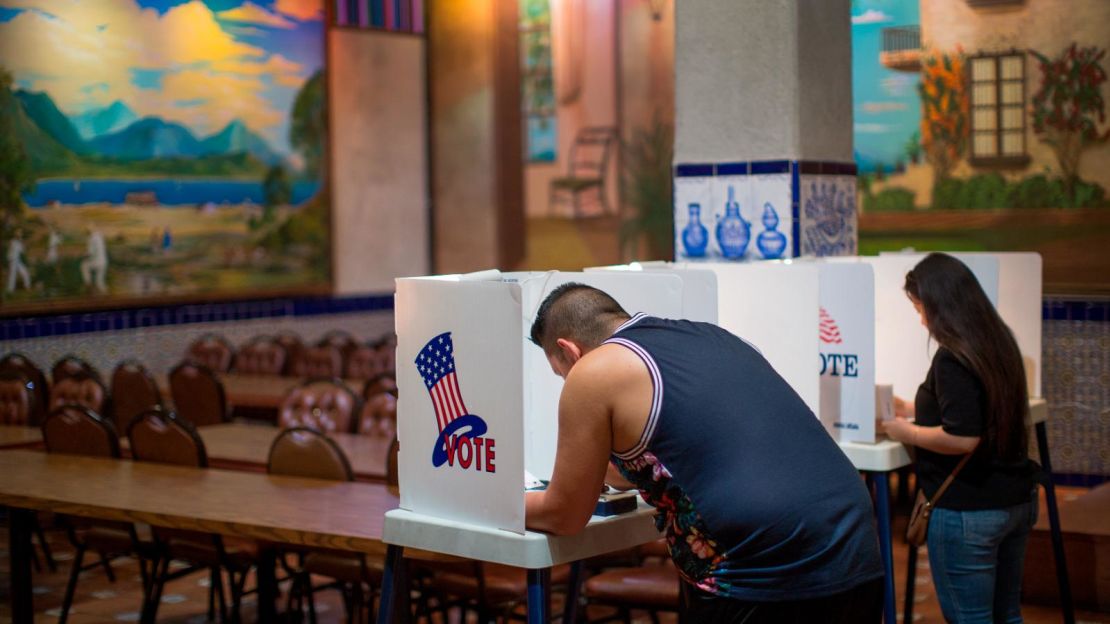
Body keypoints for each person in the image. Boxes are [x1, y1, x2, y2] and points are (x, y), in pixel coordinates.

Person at [526, 283, 884, 623]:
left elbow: (564, 516)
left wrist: (490, 501)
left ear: (570, 350)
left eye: (561, 374)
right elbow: (682, 453)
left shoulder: (593, 369)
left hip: (763, 573)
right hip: (854, 548)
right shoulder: (712, 336)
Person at [882, 253, 1039, 624]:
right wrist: (914, 408)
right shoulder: (998, 342)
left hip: (968, 509)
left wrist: (906, 431)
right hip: (1015, 499)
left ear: (940, 305)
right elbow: (980, 412)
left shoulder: (953, 356)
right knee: (1007, 615)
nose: (921, 319)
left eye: (920, 308)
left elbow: (963, 438)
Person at [80, 226, 108, 293]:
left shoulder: (91, 238)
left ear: (88, 232)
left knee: (84, 266)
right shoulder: (100, 236)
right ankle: (105, 294)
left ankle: (88, 285)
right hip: (103, 262)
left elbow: (90, 253)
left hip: (96, 262)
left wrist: (83, 256)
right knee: (100, 281)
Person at [6, 228, 32, 293]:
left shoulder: (19, 243)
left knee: (25, 272)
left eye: (20, 233)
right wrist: (9, 259)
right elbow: (10, 251)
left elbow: (23, 251)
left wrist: (23, 242)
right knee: (12, 275)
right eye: (19, 233)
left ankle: (27, 286)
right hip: (13, 260)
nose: (20, 234)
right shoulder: (12, 241)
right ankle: (10, 290)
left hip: (18, 260)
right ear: (16, 234)